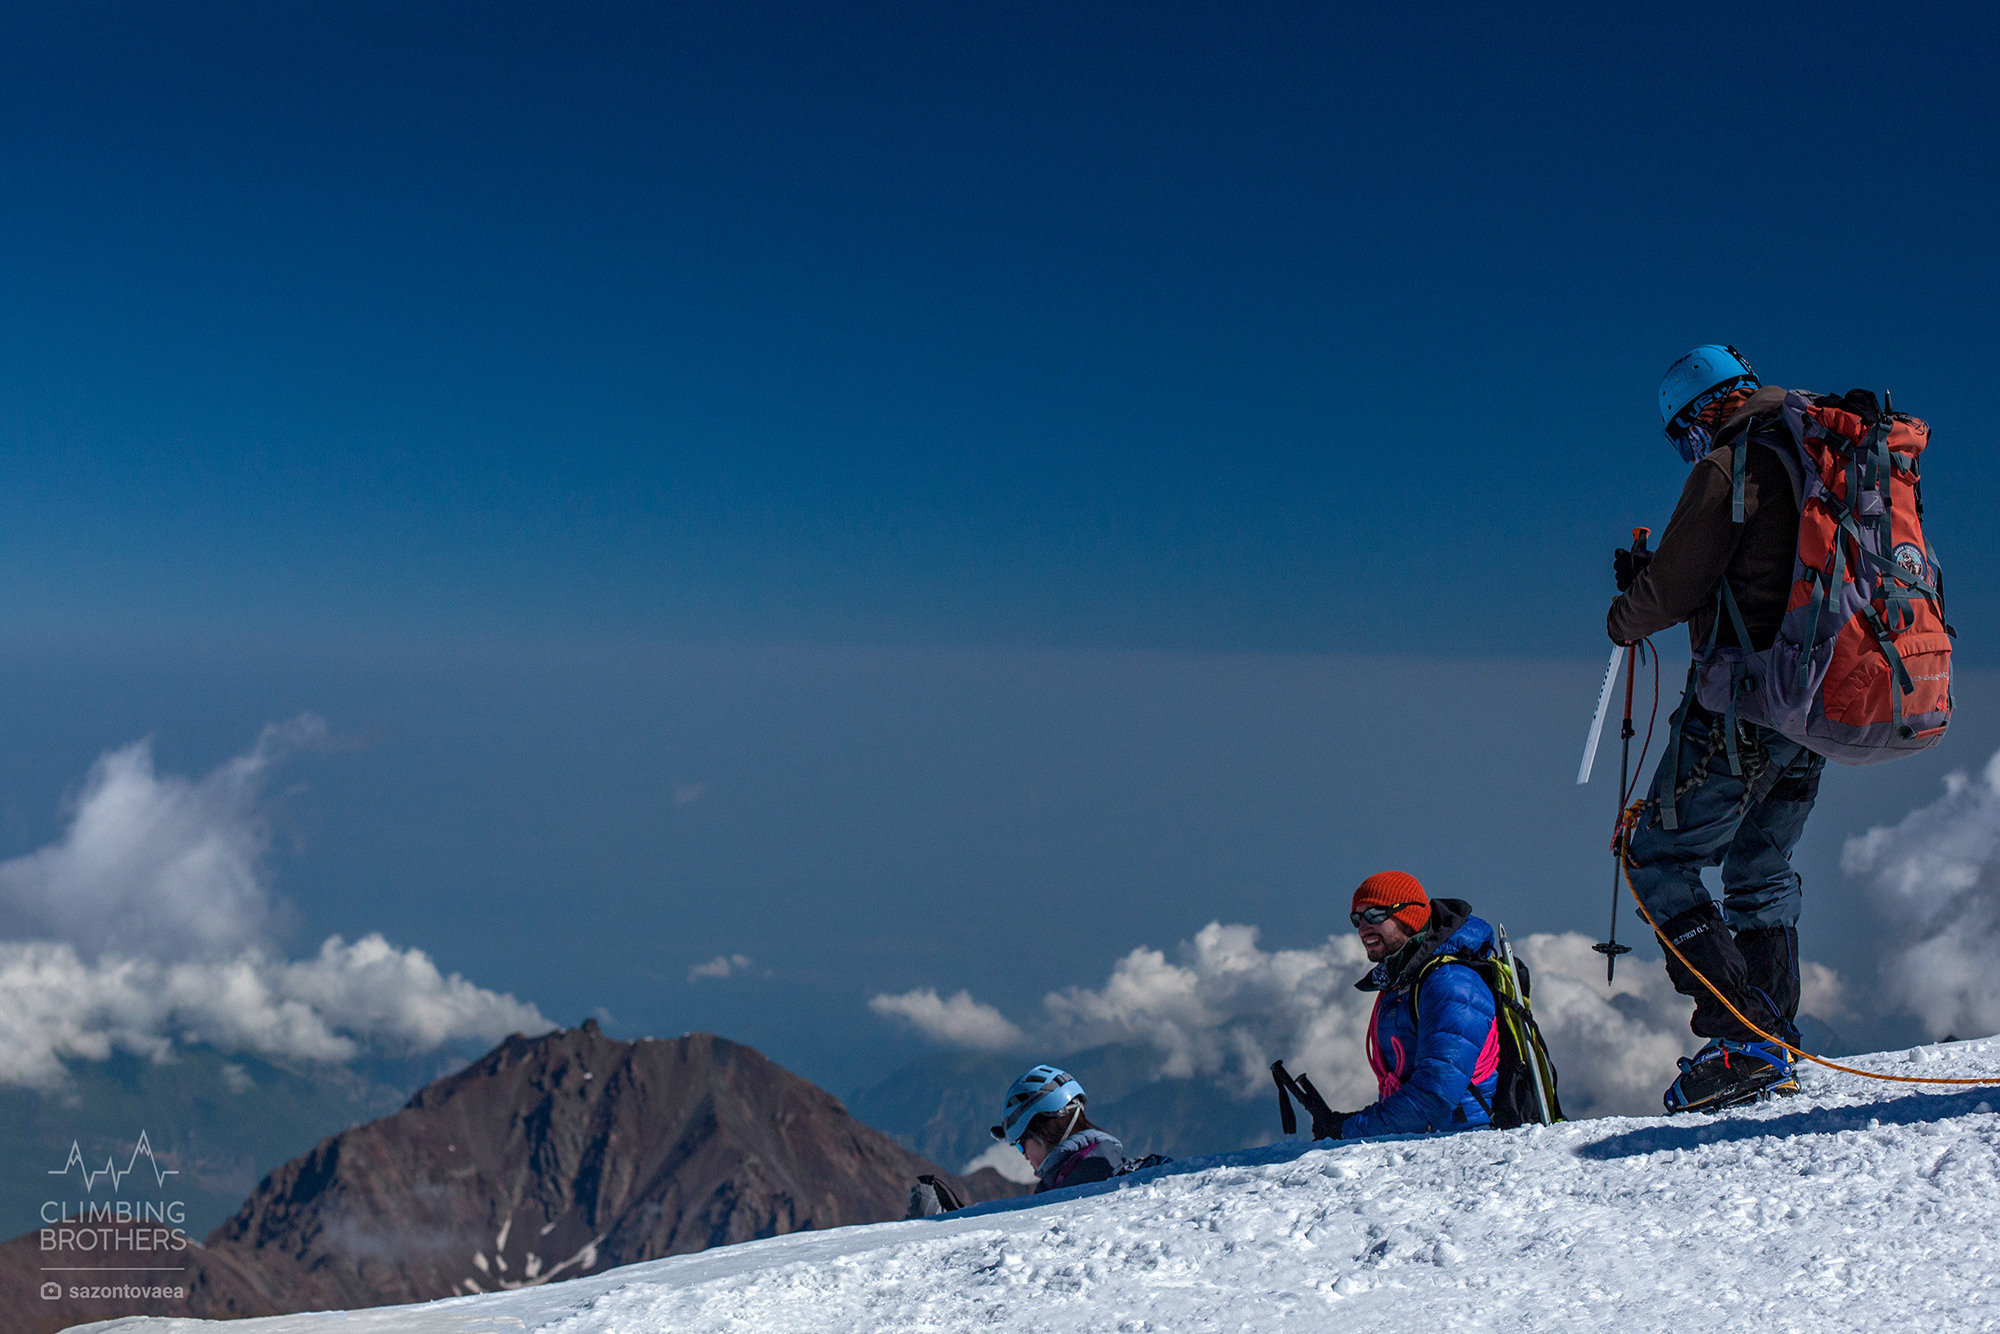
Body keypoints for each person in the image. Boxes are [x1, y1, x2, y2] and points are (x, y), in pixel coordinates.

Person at [1607, 345, 1819, 1113]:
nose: (1687, 447)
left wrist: (1626, 611)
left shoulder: (1732, 464)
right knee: (1760, 868)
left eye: (1681, 431)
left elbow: (1675, 586)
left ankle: (1745, 1039)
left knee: (1656, 855)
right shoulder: (1818, 453)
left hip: (1742, 701)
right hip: (1815, 701)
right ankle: (1775, 1039)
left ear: (1704, 407)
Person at [1323, 871, 1501, 1139]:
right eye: (1356, 918)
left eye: (1375, 914)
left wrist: (1349, 1129)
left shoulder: (1452, 984)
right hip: (1429, 1147)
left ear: (1409, 915)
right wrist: (1351, 1121)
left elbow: (1434, 1094)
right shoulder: (1401, 984)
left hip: (1470, 1149)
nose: (1362, 928)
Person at [989, 1065, 1128, 1193]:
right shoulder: (1116, 1169)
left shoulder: (1064, 1194)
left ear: (1040, 1134)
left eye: (1020, 1145)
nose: (1025, 1156)